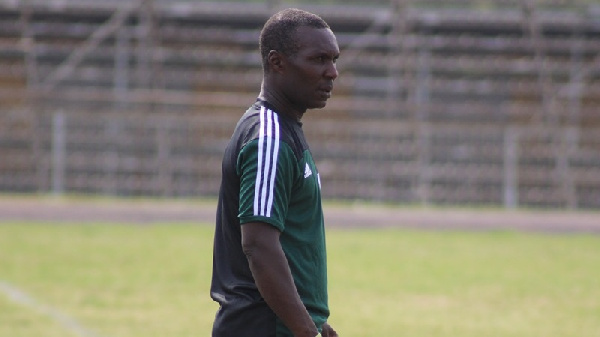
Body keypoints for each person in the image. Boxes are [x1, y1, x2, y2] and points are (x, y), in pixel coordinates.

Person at [210, 8, 340, 337]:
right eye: (319, 59)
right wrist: (304, 331)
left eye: (334, 59)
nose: (332, 72)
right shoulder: (269, 139)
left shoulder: (284, 130)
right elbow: (259, 246)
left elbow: (288, 242)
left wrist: (314, 321)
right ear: (277, 62)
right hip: (265, 327)